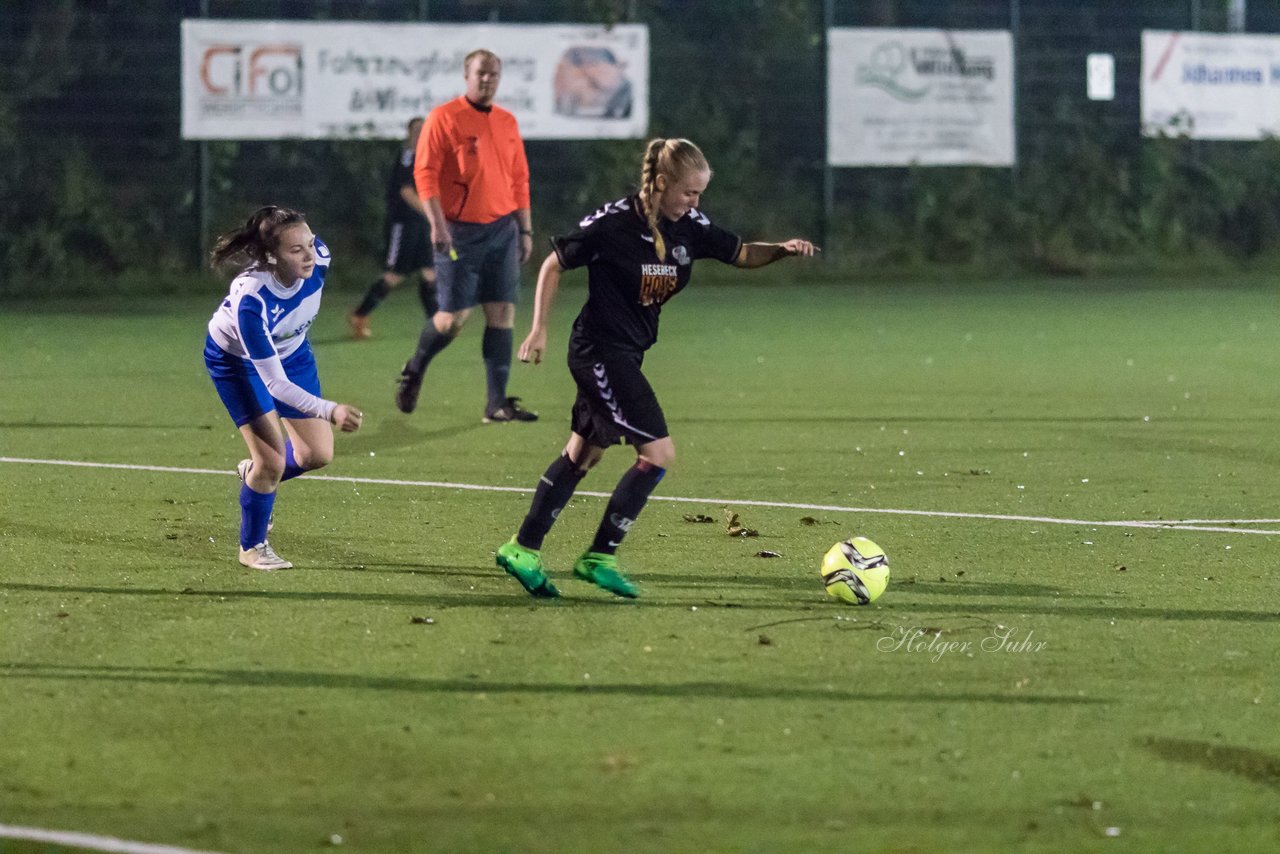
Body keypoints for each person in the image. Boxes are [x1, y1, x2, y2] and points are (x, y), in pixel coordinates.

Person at [494, 137, 818, 599]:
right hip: (600, 353)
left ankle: (522, 549)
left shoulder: (690, 225)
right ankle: (600, 555)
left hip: (626, 353)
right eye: (689, 192)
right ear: (661, 183)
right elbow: (552, 264)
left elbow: (742, 253)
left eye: (700, 194)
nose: (695, 202)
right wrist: (539, 329)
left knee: (583, 454)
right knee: (658, 453)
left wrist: (781, 250)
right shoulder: (613, 224)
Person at [204, 205, 364, 571]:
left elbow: (284, 369)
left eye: (309, 243)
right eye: (296, 250)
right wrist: (330, 409)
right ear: (271, 255)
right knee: (273, 460)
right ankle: (252, 547)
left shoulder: (319, 258)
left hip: (293, 353)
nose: (309, 254)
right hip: (237, 363)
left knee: (316, 455)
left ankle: (254, 475)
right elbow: (274, 385)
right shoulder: (252, 300)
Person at [395, 48, 538, 423]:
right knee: (452, 320)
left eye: (494, 74)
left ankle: (496, 403)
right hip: (459, 231)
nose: (487, 80)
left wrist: (524, 228)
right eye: (481, 73)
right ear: (466, 75)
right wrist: (437, 224)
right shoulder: (444, 118)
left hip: (503, 229)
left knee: (502, 311)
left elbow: (519, 178)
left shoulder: (507, 121)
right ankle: (416, 367)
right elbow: (424, 174)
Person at [347, 117, 437, 340]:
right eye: (416, 130)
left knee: (430, 272)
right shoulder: (407, 156)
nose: (420, 134)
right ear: (409, 133)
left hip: (422, 224)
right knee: (395, 274)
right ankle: (359, 315)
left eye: (423, 130)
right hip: (404, 223)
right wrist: (429, 213)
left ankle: (435, 324)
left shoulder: (425, 156)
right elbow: (406, 191)